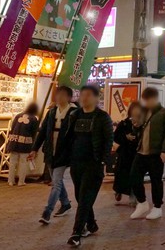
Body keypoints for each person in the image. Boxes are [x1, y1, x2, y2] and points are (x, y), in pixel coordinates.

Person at [64, 85, 113, 247]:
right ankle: (91, 224)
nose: (84, 98)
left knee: (85, 198)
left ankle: (76, 233)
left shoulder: (103, 117)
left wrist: (103, 161)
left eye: (88, 95)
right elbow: (69, 138)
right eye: (82, 95)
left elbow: (108, 140)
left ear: (97, 98)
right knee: (80, 196)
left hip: (94, 163)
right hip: (76, 163)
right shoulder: (75, 115)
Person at [129, 87, 165, 221]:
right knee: (133, 177)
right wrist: (135, 126)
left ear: (155, 98)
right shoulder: (144, 112)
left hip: (156, 153)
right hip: (141, 151)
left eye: (147, 99)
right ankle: (142, 203)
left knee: (156, 180)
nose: (145, 102)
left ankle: (157, 207)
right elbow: (138, 131)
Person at [31, 85, 75, 224]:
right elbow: (43, 132)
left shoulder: (74, 113)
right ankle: (66, 203)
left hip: (64, 153)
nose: (59, 97)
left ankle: (47, 212)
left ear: (69, 97)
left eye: (62, 95)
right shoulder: (51, 112)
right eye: (58, 94)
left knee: (56, 183)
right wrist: (34, 149)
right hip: (50, 152)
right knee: (58, 181)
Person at [112, 102, 141, 203]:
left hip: (137, 153)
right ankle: (118, 191)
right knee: (121, 175)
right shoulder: (124, 123)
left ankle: (133, 195)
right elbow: (115, 136)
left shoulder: (142, 124)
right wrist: (125, 137)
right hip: (125, 154)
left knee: (135, 175)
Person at [6, 101, 39, 187]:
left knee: (12, 162)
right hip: (25, 143)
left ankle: (10, 180)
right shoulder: (34, 119)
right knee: (23, 162)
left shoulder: (18, 116)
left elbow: (12, 128)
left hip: (14, 142)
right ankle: (21, 181)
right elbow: (34, 133)